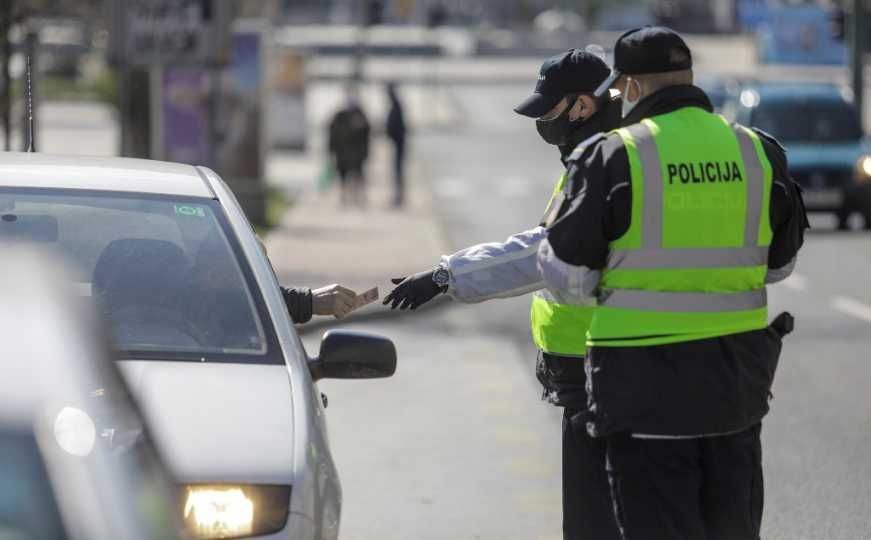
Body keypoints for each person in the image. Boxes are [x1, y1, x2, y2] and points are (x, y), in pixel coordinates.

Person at [537, 27, 809, 540]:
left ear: (631, 87)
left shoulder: (612, 157)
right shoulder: (758, 151)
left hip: (644, 397)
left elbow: (567, 282)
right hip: (735, 390)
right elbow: (781, 266)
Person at [383, 49, 622, 540]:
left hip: (601, 364)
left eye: (550, 112)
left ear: (582, 106)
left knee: (595, 521)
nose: (544, 125)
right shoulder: (611, 154)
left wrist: (448, 275)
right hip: (607, 364)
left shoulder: (605, 162)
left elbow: (543, 252)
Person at [328, 86, 371, 207]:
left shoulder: (360, 114)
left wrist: (365, 151)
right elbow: (332, 133)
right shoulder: (339, 115)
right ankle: (344, 196)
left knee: (358, 175)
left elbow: (367, 133)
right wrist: (331, 150)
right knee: (343, 176)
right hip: (343, 153)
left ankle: (359, 197)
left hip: (357, 153)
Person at [385, 82, 408, 208]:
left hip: (399, 144)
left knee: (398, 171)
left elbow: (396, 126)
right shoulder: (396, 105)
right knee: (396, 171)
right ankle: (398, 196)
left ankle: (399, 197)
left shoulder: (396, 106)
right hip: (397, 143)